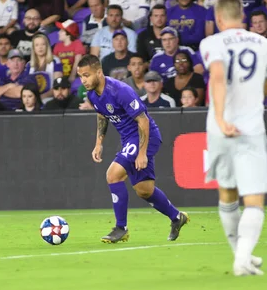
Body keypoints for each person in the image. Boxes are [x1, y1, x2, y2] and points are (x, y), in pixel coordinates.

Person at [77, 54, 190, 243]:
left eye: (87, 75)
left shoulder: (120, 90)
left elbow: (143, 120)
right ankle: (177, 217)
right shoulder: (91, 94)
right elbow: (102, 116)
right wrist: (99, 143)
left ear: (99, 72)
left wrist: (143, 152)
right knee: (144, 190)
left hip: (144, 136)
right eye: (81, 76)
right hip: (129, 140)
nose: (83, 80)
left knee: (113, 175)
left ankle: (121, 228)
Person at [199, 0, 267, 276]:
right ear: (242, 15)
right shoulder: (263, 44)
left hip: (219, 129)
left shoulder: (211, 43)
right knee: (254, 199)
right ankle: (242, 258)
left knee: (227, 192)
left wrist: (221, 119)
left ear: (218, 18)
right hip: (251, 128)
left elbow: (217, 76)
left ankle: (240, 255)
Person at [27, 34, 63, 99]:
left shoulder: (55, 61)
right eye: (37, 45)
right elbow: (26, 86)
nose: (40, 47)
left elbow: (58, 86)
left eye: (43, 44)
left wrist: (41, 98)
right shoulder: (29, 65)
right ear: (33, 48)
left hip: (50, 98)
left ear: (47, 46)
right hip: (33, 99)